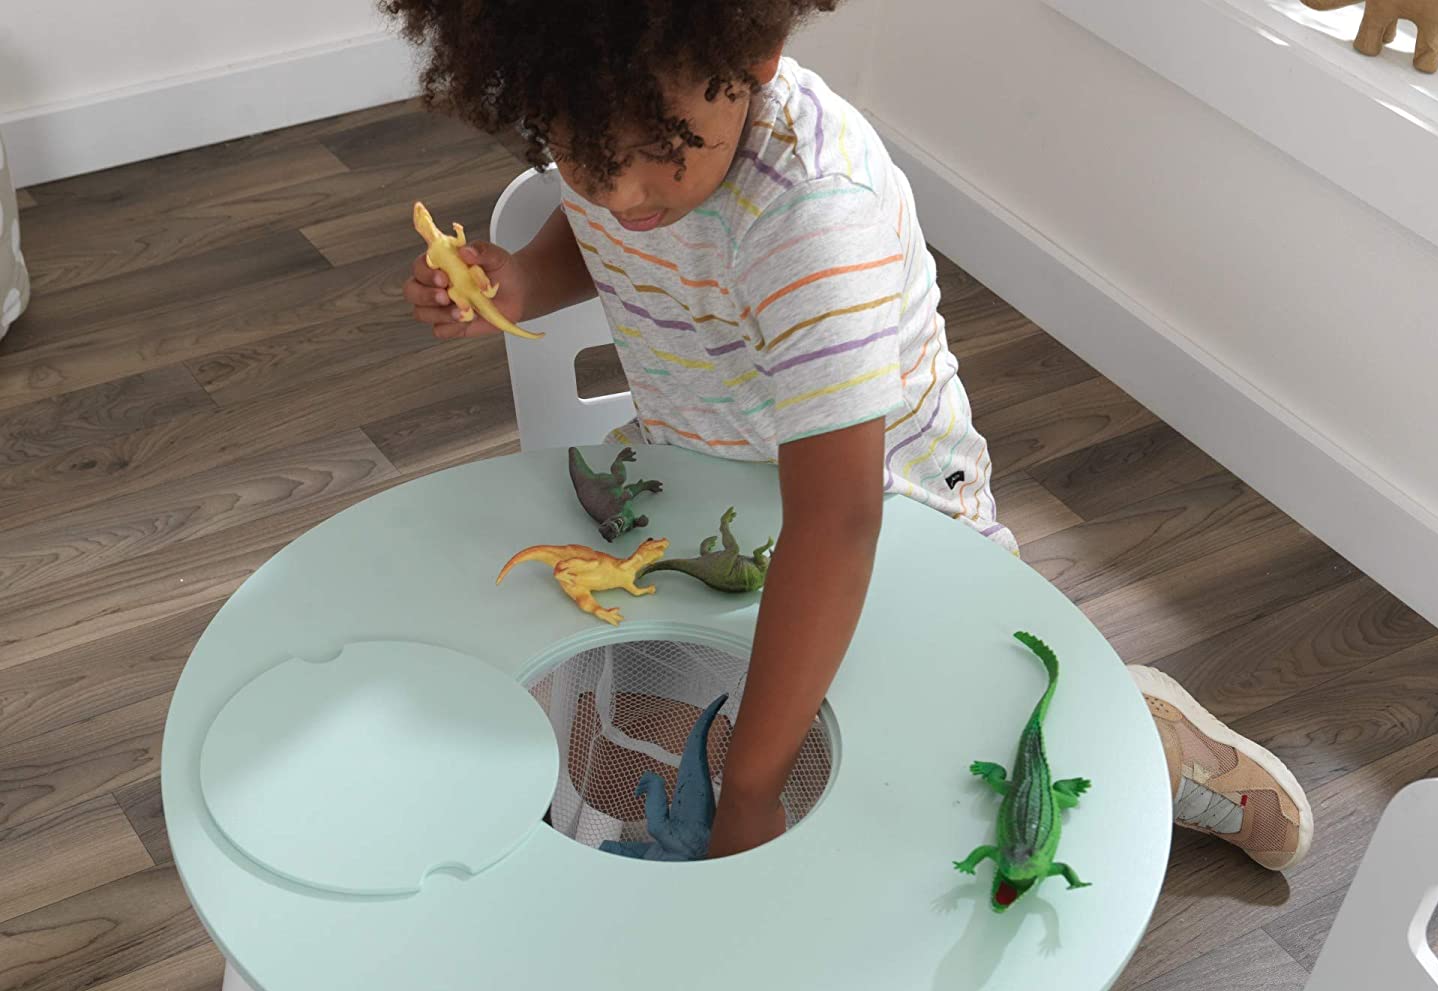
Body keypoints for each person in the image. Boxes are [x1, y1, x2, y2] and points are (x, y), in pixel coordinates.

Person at [389, 0, 1312, 869]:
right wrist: (522, 280)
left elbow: (838, 525)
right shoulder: (624, 137)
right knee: (621, 758)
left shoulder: (812, 219)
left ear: (752, 59)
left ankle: (1134, 731)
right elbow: (597, 226)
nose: (620, 188)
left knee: (930, 795)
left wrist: (751, 788)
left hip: (891, 522)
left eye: (654, 151)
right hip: (715, 498)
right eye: (582, 151)